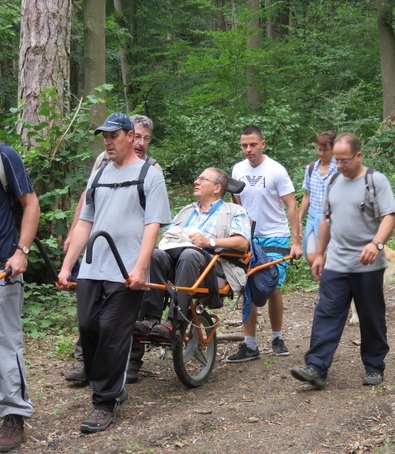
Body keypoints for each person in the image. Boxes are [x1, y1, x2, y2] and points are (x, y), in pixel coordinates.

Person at [57, 113, 171, 434]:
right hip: (94, 266)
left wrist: (139, 267)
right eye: (104, 137)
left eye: (113, 136)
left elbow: (153, 225)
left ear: (130, 136)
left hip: (126, 272)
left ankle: (105, 402)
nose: (107, 142)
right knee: (88, 326)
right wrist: (68, 265)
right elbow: (85, 223)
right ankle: (107, 383)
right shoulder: (99, 175)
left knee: (112, 331)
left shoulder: (149, 175)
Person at [290, 133, 395, 389]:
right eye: (337, 160)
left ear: (359, 155)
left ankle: (374, 366)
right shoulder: (334, 180)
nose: (339, 166)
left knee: (371, 316)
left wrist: (376, 244)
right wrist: (320, 253)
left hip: (367, 264)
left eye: (344, 160)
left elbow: (389, 216)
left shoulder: (376, 181)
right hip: (336, 262)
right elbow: (327, 219)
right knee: (326, 313)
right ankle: (316, 367)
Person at [133, 167, 251, 343]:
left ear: (217, 188)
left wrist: (208, 242)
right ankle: (149, 318)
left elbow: (242, 244)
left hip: (212, 265)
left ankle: (174, 321)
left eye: (203, 179)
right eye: (197, 178)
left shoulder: (233, 210)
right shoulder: (187, 210)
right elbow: (168, 234)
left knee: (190, 254)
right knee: (155, 254)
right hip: (177, 259)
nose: (196, 182)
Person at [228, 125, 303, 361]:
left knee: (272, 287)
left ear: (263, 144)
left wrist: (296, 241)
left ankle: (277, 336)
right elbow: (235, 203)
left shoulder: (276, 171)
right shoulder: (237, 169)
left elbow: (292, 205)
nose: (248, 149)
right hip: (248, 237)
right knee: (247, 287)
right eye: (244, 145)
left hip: (275, 235)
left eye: (252, 144)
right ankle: (249, 345)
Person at [0, 144, 40, 452]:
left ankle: (14, 413)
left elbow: (31, 204)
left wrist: (21, 251)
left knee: (5, 343)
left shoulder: (4, 157)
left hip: (3, 267)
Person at [299, 132, 338, 266]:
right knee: (311, 257)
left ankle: (328, 284)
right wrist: (298, 220)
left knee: (329, 257)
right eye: (320, 149)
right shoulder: (311, 169)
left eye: (326, 150)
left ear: (333, 149)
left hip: (331, 220)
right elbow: (306, 196)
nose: (322, 153)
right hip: (312, 217)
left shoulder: (339, 170)